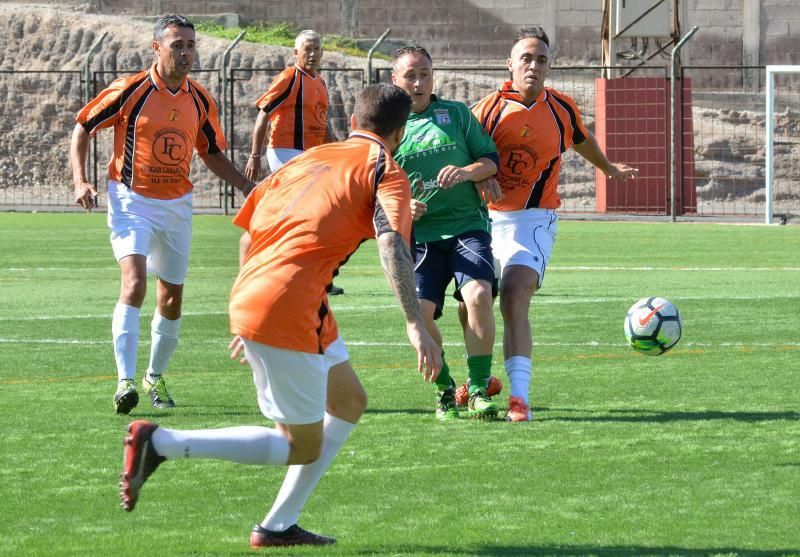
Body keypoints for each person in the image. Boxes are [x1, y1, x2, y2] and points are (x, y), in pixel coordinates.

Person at [118, 84, 443, 548]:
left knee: (349, 401)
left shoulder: (308, 159)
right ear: (400, 132)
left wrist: (250, 303)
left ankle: (277, 526)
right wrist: (415, 324)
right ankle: (162, 442)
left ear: (353, 121)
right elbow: (391, 241)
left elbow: (249, 232)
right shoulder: (385, 169)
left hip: (271, 293)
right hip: (291, 303)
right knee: (299, 444)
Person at [70, 14, 255, 415]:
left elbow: (210, 152)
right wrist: (80, 181)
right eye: (177, 45)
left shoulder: (201, 99)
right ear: (157, 48)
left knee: (171, 298)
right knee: (134, 284)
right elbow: (83, 126)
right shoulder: (131, 90)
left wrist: (245, 185)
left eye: (190, 45)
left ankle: (154, 374)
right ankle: (124, 380)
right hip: (130, 199)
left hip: (176, 205)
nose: (186, 52)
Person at [470, 26, 639, 422]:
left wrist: (609, 168)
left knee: (514, 293)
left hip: (533, 220)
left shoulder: (561, 109)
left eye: (541, 59)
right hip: (485, 221)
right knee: (473, 303)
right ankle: (479, 383)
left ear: (549, 66)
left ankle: (519, 398)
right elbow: (466, 159)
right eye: (525, 58)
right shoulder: (485, 111)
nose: (533, 65)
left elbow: (580, 139)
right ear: (509, 64)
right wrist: (479, 176)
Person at [391, 46, 502, 420]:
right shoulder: (388, 130)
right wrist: (403, 208)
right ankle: (445, 389)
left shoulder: (455, 114)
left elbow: (490, 160)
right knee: (419, 316)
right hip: (419, 239)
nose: (418, 82)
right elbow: (373, 189)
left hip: (466, 226)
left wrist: (468, 172)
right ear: (396, 80)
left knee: (479, 295)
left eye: (425, 74)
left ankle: (477, 387)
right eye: (410, 75)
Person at [244, 29, 344, 295]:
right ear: (296, 53)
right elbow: (264, 114)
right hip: (285, 151)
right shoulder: (290, 78)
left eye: (316, 49)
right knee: (303, 211)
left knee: (321, 212)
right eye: (307, 49)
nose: (312, 54)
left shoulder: (320, 83)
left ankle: (317, 276)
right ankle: (281, 271)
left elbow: (323, 127)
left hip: (310, 156)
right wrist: (255, 155)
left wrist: (341, 153)